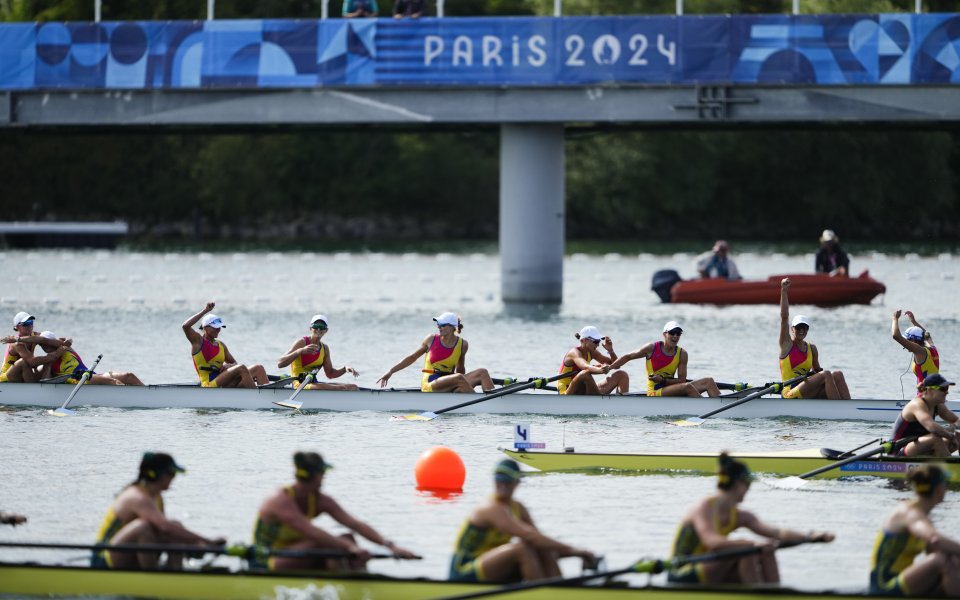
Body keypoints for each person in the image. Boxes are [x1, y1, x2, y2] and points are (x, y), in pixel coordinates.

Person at [668, 452, 833, 585]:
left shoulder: (740, 516)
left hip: (709, 568)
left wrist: (810, 537)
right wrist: (751, 544)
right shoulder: (704, 507)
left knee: (766, 551)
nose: (749, 489)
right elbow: (712, 541)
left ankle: (773, 593)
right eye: (748, 484)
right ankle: (757, 594)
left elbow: (777, 532)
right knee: (748, 551)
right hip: (682, 571)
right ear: (740, 484)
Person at [252, 451, 415, 571]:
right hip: (267, 562)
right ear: (316, 475)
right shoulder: (280, 501)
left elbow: (355, 524)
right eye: (323, 473)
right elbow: (312, 532)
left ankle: (356, 580)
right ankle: (348, 584)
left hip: (299, 556)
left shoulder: (319, 500)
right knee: (329, 543)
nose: (324, 478)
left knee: (347, 537)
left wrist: (391, 546)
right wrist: (349, 548)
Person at [449, 459, 596, 583]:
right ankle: (544, 595)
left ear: (517, 482)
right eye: (499, 479)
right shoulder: (490, 509)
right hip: (464, 570)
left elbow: (539, 541)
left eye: (508, 480)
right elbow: (531, 536)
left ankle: (562, 593)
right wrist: (575, 550)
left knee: (543, 549)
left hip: (491, 567)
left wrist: (578, 554)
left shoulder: (518, 508)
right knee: (522, 548)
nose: (502, 484)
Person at [91, 452, 225, 570]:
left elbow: (165, 533)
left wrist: (198, 546)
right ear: (155, 475)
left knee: (175, 527)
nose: (174, 478)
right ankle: (153, 579)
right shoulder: (136, 497)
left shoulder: (157, 497)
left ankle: (176, 574)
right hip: (103, 558)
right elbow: (164, 527)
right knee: (144, 527)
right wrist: (207, 541)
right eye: (171, 474)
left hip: (128, 552)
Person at [869, 464, 960, 596]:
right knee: (940, 560)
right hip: (884, 585)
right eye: (945, 484)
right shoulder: (910, 513)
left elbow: (935, 549)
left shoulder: (924, 518)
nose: (947, 487)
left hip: (904, 580)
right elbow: (935, 540)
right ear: (939, 489)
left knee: (952, 559)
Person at [376, 312, 494, 393]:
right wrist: (391, 371)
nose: (439, 326)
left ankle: (494, 401)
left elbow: (461, 369)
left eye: (442, 324)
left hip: (451, 381)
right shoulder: (431, 339)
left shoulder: (463, 344)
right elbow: (412, 358)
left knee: (482, 372)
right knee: (458, 378)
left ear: (452, 327)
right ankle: (482, 405)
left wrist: (464, 385)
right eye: (438, 324)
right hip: (431, 383)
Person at [778, 278, 850, 399]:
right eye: (799, 327)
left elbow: (817, 371)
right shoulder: (786, 345)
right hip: (790, 392)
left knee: (837, 375)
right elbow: (784, 317)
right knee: (826, 374)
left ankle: (850, 409)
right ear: (792, 329)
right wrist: (784, 290)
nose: (801, 330)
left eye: (805, 328)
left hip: (806, 388)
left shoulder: (812, 349)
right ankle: (839, 409)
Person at [610, 321, 721, 398]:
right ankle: (707, 408)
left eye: (678, 334)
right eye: (672, 333)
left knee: (709, 381)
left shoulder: (682, 354)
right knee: (687, 387)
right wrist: (610, 367)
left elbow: (682, 380)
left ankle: (721, 405)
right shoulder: (651, 348)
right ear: (664, 334)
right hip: (654, 391)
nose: (675, 336)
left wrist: (663, 380)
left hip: (671, 387)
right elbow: (628, 356)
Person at [182, 302, 268, 388]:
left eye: (219, 327)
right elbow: (185, 326)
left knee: (258, 368)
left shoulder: (221, 345)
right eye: (215, 327)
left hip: (224, 382)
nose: (218, 330)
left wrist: (229, 366)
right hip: (209, 384)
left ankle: (267, 397)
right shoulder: (198, 341)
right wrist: (205, 311)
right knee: (241, 368)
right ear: (205, 328)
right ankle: (257, 398)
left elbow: (235, 364)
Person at [277, 315, 359, 391]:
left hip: (313, 383)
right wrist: (300, 351)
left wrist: (344, 369)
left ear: (326, 330)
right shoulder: (302, 342)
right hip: (299, 385)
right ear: (310, 328)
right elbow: (280, 363)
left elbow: (330, 374)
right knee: (342, 388)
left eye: (321, 327)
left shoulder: (325, 348)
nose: (318, 329)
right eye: (315, 326)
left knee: (353, 387)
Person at [37, 331, 143, 385]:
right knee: (113, 382)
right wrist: (49, 364)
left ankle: (148, 394)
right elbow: (46, 382)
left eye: (45, 343)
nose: (43, 346)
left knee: (129, 376)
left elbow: (69, 339)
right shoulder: (48, 360)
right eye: (41, 345)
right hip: (76, 380)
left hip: (90, 375)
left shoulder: (67, 349)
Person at [891, 374, 959, 457]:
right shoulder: (917, 404)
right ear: (930, 390)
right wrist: (951, 436)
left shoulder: (938, 405)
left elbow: (957, 420)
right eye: (943, 389)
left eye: (947, 389)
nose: (947, 392)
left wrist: (953, 427)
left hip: (920, 447)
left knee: (958, 436)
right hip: (899, 450)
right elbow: (932, 427)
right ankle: (952, 467)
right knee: (936, 439)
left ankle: (947, 465)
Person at [0, 311, 70, 383]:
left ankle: (48, 387)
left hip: (24, 373)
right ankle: (34, 390)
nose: (29, 326)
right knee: (23, 362)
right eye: (26, 324)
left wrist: (66, 341)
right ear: (17, 327)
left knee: (47, 364)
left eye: (31, 322)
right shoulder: (16, 344)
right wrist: (55, 355)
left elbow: (51, 339)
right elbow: (32, 362)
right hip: (8, 377)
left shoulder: (34, 335)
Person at [556, 326, 626, 395]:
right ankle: (598, 401)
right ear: (584, 340)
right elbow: (586, 367)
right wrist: (601, 370)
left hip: (582, 388)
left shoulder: (592, 352)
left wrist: (611, 351)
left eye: (599, 341)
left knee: (622, 375)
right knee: (584, 374)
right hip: (567, 391)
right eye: (596, 341)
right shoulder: (574, 353)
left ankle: (622, 403)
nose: (598, 344)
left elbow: (616, 365)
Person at [892, 310, 939, 386]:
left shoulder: (919, 351)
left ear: (913, 340)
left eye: (906, 340)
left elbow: (896, 336)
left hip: (926, 396)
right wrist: (913, 321)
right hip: (937, 394)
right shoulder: (932, 348)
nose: (905, 344)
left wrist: (895, 318)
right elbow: (927, 334)